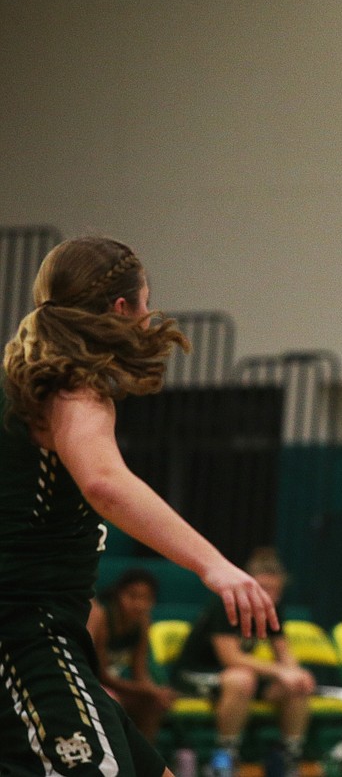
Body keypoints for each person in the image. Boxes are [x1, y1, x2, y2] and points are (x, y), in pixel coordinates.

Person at [0, 235, 279, 777]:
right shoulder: (68, 385)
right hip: (24, 635)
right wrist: (213, 564)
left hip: (50, 636)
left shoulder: (24, 382)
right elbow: (104, 482)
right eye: (147, 303)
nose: (152, 318)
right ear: (122, 308)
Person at [170, 546, 315, 773]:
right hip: (197, 674)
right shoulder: (225, 603)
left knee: (296, 685)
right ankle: (224, 757)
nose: (271, 597)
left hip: (236, 678)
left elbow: (284, 653)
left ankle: (290, 757)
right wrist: (280, 671)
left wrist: (296, 673)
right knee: (242, 679)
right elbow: (230, 657)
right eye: (265, 588)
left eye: (276, 591)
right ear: (248, 583)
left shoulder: (272, 607)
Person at [87, 566, 178, 742]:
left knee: (154, 703)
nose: (139, 604)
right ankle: (114, 760)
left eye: (146, 598)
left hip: (114, 685)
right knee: (113, 703)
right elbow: (101, 675)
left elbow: (140, 672)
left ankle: (145, 763)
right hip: (94, 683)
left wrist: (155, 692)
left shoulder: (142, 623)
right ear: (118, 594)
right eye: (132, 596)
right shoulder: (103, 617)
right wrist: (148, 690)